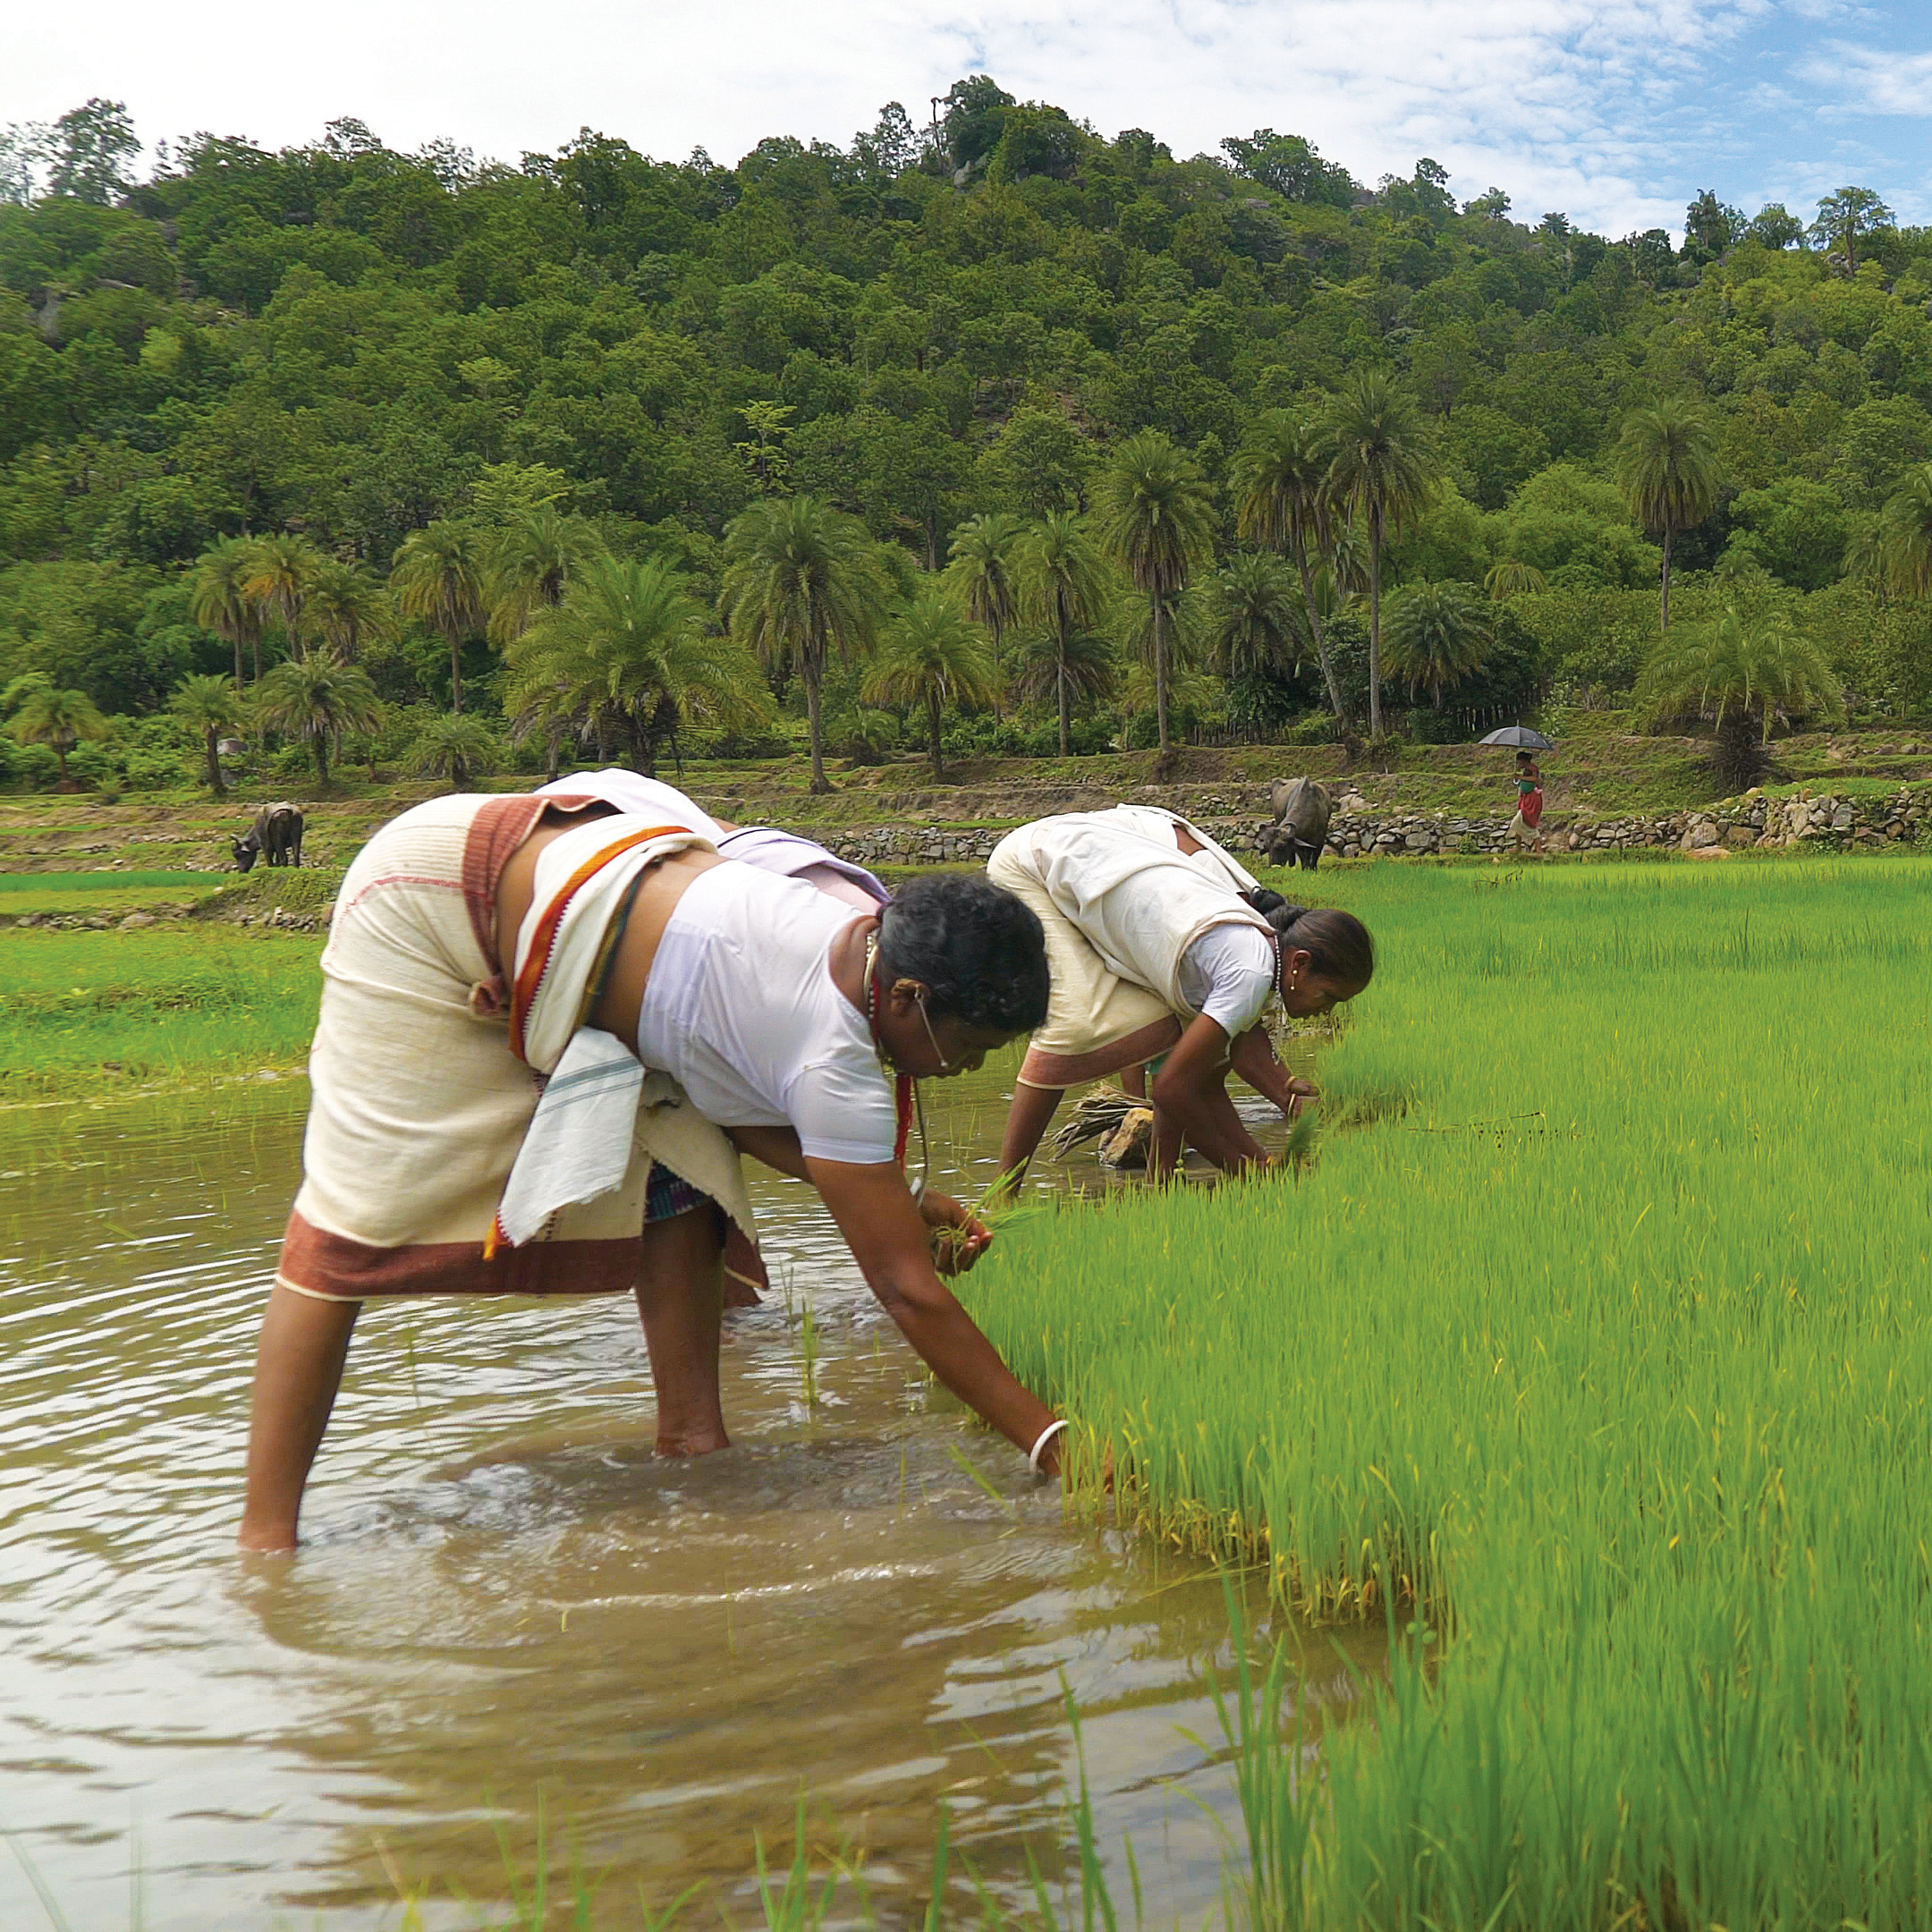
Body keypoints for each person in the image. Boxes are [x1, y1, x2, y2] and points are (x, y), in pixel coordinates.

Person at [238, 784, 1064, 1552]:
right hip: (429, 896)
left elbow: (741, 1111)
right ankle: (265, 1545)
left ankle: (694, 1446)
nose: (968, 1070)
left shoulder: (857, 929)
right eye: (972, 1047)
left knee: (687, 1159)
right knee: (347, 1231)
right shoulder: (833, 1059)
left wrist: (900, 1199)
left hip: (594, 872)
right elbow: (907, 1289)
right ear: (909, 996)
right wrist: (1054, 1446)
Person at [988, 806, 1375, 1186]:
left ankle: (1161, 1183)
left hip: (1083, 865)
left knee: (1179, 1036)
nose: (1323, 1012)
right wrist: (1249, 1172)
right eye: (1328, 997)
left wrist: (1262, 1160)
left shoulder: (1254, 951)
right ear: (1299, 965)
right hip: (1034, 866)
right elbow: (1172, 1088)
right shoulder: (1250, 972)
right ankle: (1004, 1192)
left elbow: (1205, 1083)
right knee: (1079, 1027)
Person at [1511, 750, 1546, 854]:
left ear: (1523, 761)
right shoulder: (1526, 769)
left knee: (1526, 821)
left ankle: (1538, 850)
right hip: (1526, 798)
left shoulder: (1533, 768)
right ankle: (1518, 848)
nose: (1518, 764)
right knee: (1519, 822)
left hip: (1532, 800)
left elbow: (1535, 779)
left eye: (1519, 762)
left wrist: (1519, 777)